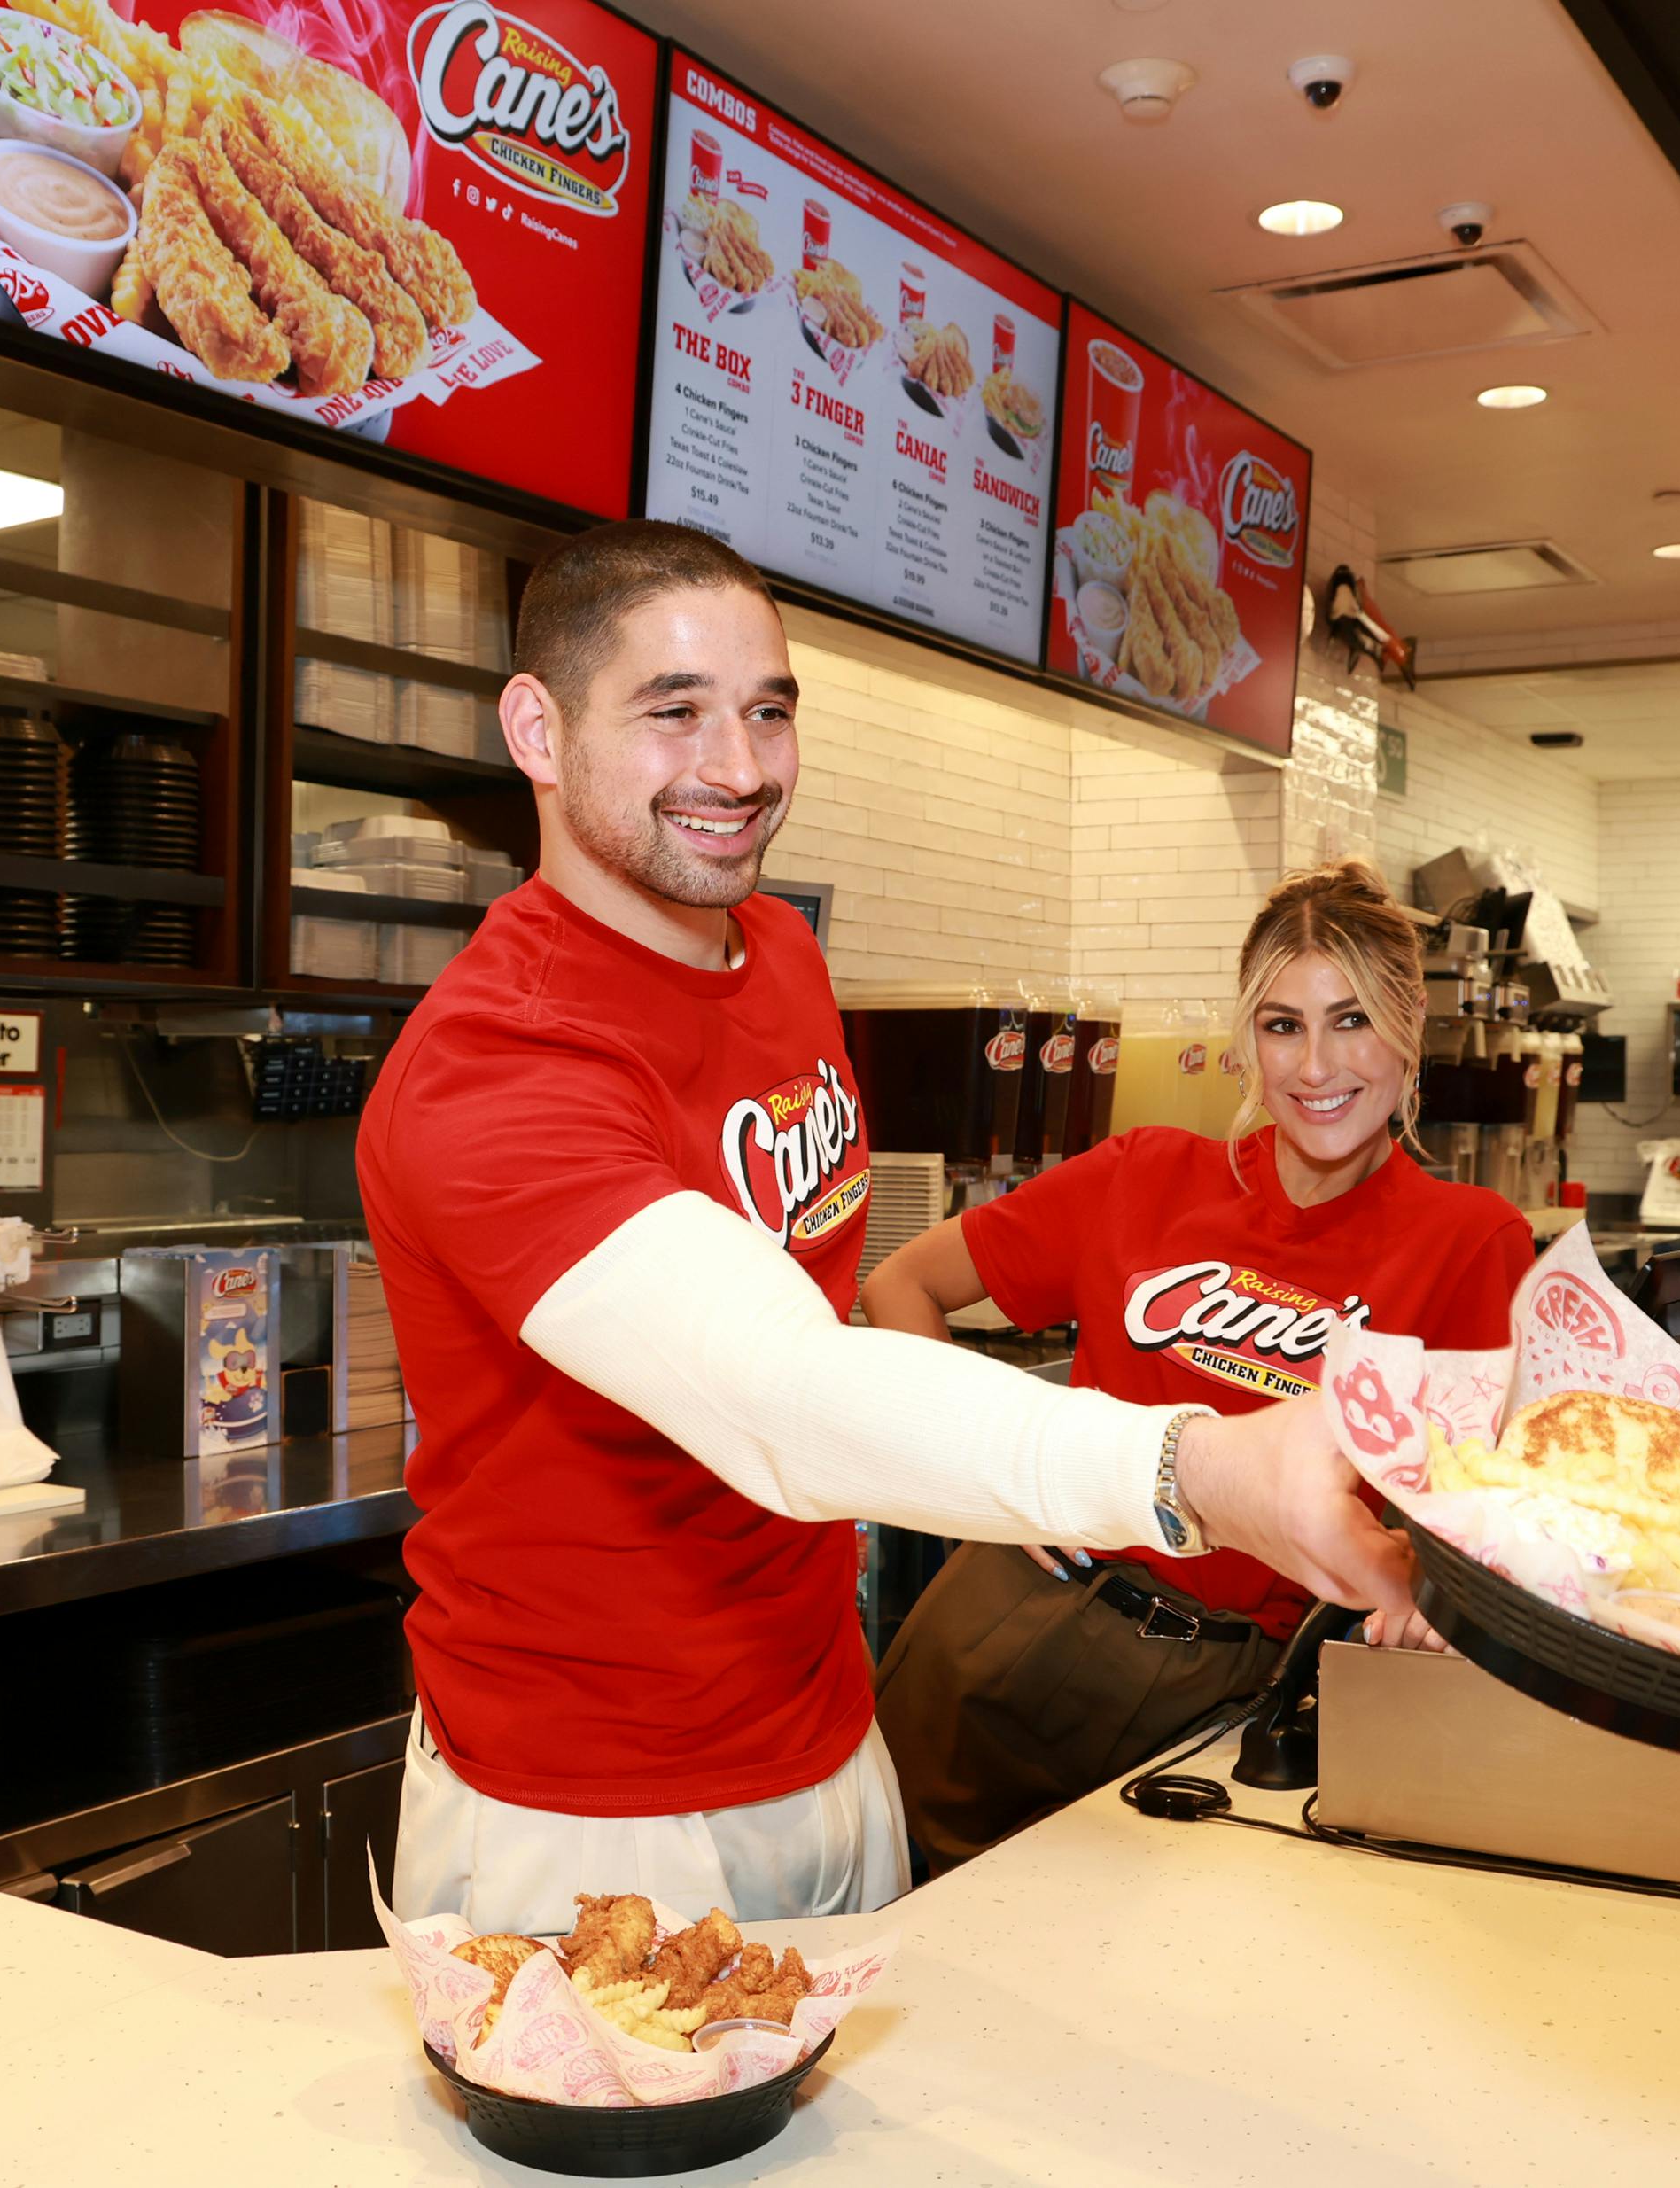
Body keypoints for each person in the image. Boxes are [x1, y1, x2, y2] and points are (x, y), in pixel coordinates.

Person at [355, 520, 1419, 1937]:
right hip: (593, 1806)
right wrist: (1195, 1463)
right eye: (672, 712)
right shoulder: (497, 1065)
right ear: (536, 730)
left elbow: (839, 1309)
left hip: (826, 1729)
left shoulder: (777, 955)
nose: (736, 769)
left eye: (768, 710)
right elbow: (782, 1394)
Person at [867, 861, 1535, 1873]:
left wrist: (1438, 1600)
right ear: (1246, 1042)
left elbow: (1477, 1507)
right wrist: (993, 1484)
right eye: (1281, 1025)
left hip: (1216, 1689)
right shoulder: (1144, 1175)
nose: (1315, 1065)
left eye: (1349, 1020)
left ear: (1409, 1035)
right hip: (1007, 1623)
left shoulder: (1469, 1238)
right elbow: (901, 1283)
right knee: (888, 1934)